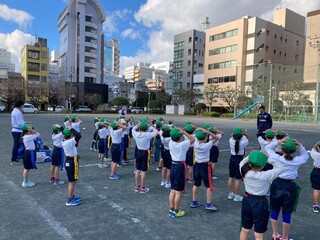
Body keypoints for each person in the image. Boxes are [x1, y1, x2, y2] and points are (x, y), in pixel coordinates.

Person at [265, 137, 309, 240]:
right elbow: (306, 156)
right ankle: (285, 237)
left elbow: (268, 148)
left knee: (274, 209)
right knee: (286, 213)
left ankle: (275, 234)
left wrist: (278, 142)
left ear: (282, 149)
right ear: (294, 151)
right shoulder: (297, 160)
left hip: (277, 184)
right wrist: (300, 145)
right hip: (290, 186)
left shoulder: (277, 158)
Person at [239, 151, 283, 240]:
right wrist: (268, 158)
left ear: (250, 163)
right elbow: (280, 167)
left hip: (247, 200)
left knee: (245, 229)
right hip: (260, 203)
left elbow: (242, 162)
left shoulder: (244, 171)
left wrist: (251, 155)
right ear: (262, 166)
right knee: (258, 233)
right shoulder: (266, 175)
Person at [168, 127, 195, 218]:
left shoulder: (171, 143)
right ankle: (177, 210)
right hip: (180, 166)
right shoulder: (183, 144)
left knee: (172, 190)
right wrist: (184, 132)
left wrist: (180, 132)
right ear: (180, 137)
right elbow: (192, 139)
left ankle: (171, 209)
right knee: (178, 191)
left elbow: (174, 136)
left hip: (173, 165)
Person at [190, 128, 219, 211]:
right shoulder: (207, 145)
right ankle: (208, 204)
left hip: (197, 165)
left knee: (196, 184)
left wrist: (197, 131)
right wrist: (207, 131)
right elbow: (216, 138)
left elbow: (196, 136)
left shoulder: (195, 143)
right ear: (206, 138)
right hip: (205, 166)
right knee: (209, 186)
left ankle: (194, 201)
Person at [132, 120, 159, 193]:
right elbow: (156, 132)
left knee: (137, 169)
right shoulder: (147, 134)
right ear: (147, 129)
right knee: (143, 171)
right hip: (145, 152)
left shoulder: (135, 134)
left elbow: (133, 129)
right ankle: (143, 188)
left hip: (138, 151)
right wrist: (151, 125)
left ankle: (137, 187)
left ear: (139, 128)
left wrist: (138, 125)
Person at [228, 128, 251, 202]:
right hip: (239, 159)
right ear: (241, 136)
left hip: (232, 158)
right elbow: (249, 138)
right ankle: (237, 196)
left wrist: (239, 133)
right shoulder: (243, 142)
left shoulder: (231, 140)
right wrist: (245, 133)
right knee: (238, 179)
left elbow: (232, 135)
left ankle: (231, 193)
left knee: (231, 177)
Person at [62, 127, 81, 206]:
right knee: (72, 181)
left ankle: (72, 196)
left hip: (70, 160)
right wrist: (72, 129)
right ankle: (69, 199)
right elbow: (78, 136)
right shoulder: (70, 141)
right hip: (72, 161)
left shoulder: (65, 140)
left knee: (73, 181)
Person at [11, 100, 26, 165]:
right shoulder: (17, 112)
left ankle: (16, 157)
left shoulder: (16, 111)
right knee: (16, 145)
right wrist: (27, 127)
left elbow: (20, 121)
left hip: (17, 130)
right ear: (20, 105)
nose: (23, 106)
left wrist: (25, 123)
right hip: (17, 131)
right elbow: (20, 123)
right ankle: (13, 159)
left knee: (18, 145)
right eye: (23, 105)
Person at [310, 141, 320, 213]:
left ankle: (316, 206)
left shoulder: (316, 155)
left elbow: (313, 148)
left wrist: (317, 144)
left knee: (316, 189)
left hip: (317, 171)